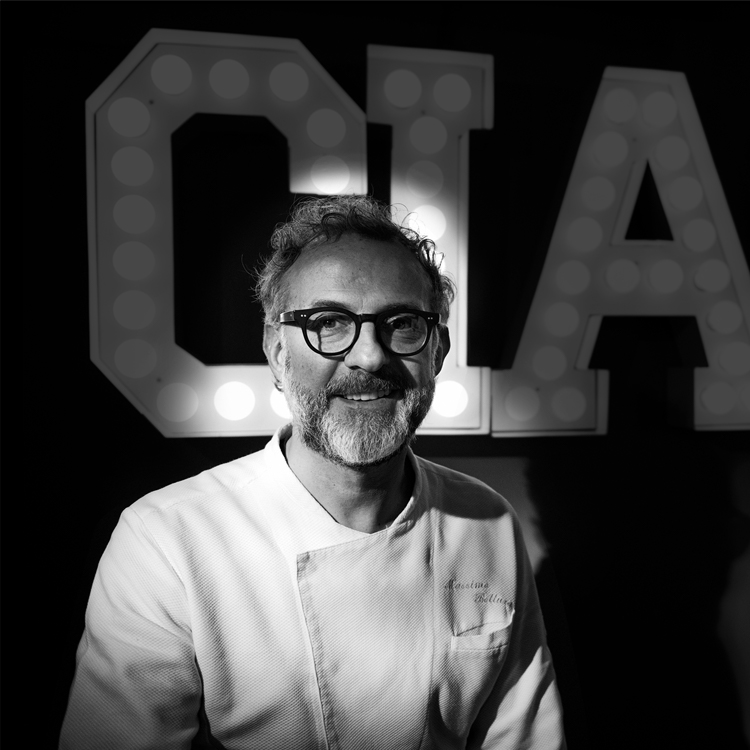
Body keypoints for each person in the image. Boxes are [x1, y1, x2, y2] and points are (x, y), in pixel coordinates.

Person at [60, 195, 567, 749]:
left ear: (437, 351)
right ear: (277, 354)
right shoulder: (168, 541)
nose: (369, 357)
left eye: (402, 324)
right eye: (328, 323)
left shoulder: (488, 522)